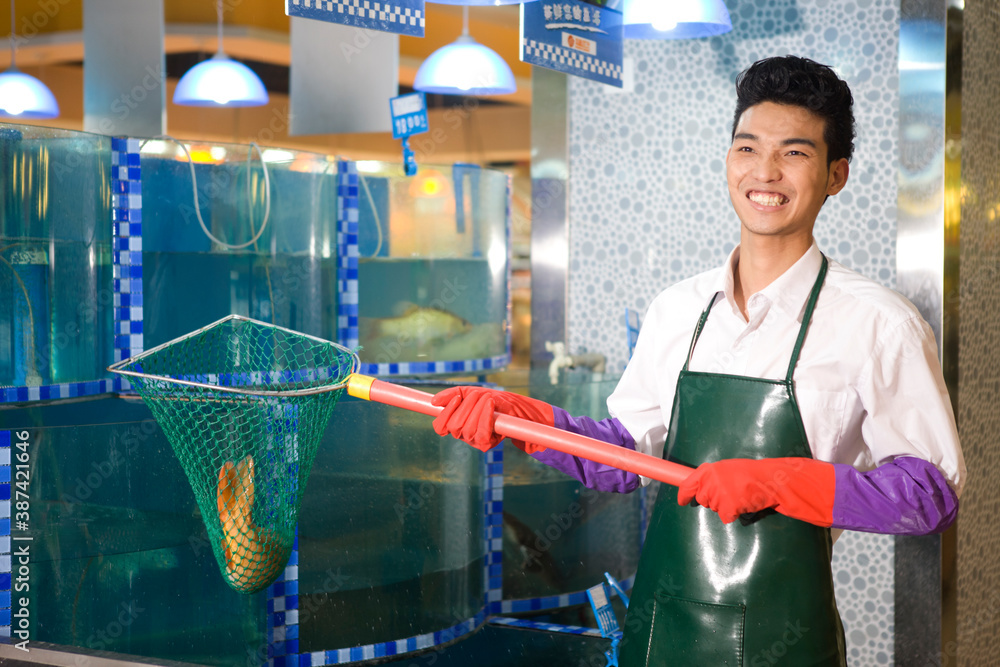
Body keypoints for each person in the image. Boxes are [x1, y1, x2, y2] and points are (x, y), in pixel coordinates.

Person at [431, 55, 965, 666]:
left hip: (786, 636)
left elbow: (929, 495)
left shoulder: (879, 323)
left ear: (836, 175)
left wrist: (779, 480)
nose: (765, 171)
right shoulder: (678, 309)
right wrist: (525, 421)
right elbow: (624, 457)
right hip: (664, 628)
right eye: (747, 148)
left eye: (794, 153)